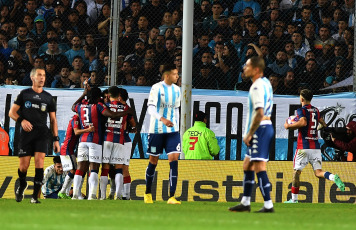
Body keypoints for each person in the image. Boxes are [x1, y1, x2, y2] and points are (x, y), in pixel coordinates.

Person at [229, 56, 274, 213]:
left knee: (259, 167)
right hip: (266, 127)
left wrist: (249, 133)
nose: (244, 68)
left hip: (260, 129)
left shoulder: (256, 87)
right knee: (247, 164)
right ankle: (246, 202)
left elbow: (259, 113)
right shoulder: (266, 83)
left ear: (256, 69)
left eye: (247, 66)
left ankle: (268, 204)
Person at [284, 89, 345, 204]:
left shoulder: (301, 110)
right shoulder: (316, 110)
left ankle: (294, 199)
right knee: (318, 173)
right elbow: (323, 124)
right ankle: (333, 177)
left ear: (302, 99)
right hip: (315, 147)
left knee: (296, 172)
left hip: (303, 147)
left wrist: (288, 126)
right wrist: (316, 129)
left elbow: (303, 123)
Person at [71, 86, 133, 200]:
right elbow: (112, 115)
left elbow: (73, 107)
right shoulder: (100, 106)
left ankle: (77, 193)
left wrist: (83, 94)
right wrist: (127, 112)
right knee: (97, 168)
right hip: (99, 140)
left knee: (82, 168)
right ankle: (94, 195)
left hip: (84, 140)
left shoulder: (80, 105)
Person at [9, 67, 60, 204]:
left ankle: (34, 197)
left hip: (42, 134)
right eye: (39, 75)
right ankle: (22, 183)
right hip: (26, 135)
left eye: (43, 75)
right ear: (32, 78)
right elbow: (12, 113)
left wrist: (56, 139)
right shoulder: (24, 94)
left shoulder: (48, 97)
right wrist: (22, 120)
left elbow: (53, 120)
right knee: (23, 166)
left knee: (40, 162)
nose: (42, 78)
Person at [144, 64, 181, 205]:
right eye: (175, 74)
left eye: (177, 74)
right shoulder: (156, 88)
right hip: (157, 130)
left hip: (172, 132)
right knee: (153, 161)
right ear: (167, 75)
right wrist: (163, 119)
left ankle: (171, 196)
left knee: (174, 160)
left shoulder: (178, 90)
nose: (177, 76)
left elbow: (176, 109)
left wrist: (177, 127)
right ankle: (148, 193)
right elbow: (151, 109)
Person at [99, 86, 135, 200]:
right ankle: (119, 196)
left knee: (105, 168)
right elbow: (134, 124)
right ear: (118, 94)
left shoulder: (105, 106)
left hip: (107, 138)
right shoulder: (126, 107)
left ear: (108, 96)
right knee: (119, 169)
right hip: (120, 140)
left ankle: (103, 196)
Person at [57, 114, 95, 199]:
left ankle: (66, 193)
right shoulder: (76, 118)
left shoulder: (78, 120)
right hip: (67, 149)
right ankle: (62, 192)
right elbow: (76, 132)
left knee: (75, 172)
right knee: (73, 171)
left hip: (70, 149)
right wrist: (88, 130)